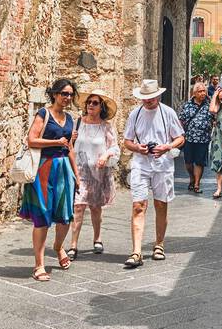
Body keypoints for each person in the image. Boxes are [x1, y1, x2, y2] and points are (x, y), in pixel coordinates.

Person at [20, 78, 80, 282]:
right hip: (44, 167)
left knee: (65, 215)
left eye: (70, 94)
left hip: (64, 168)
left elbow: (70, 148)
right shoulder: (44, 114)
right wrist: (56, 141)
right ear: (54, 94)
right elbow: (31, 139)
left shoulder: (70, 118)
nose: (67, 97)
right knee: (42, 216)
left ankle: (58, 246)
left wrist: (77, 175)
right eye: (64, 93)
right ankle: (39, 264)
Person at [123, 78, 185, 267]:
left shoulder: (168, 113)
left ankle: (159, 244)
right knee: (138, 206)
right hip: (141, 164)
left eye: (151, 97)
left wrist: (167, 146)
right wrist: (138, 148)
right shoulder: (135, 114)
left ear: (158, 96)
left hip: (163, 165)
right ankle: (136, 252)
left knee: (160, 204)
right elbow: (127, 141)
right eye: (144, 97)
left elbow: (180, 138)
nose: (148, 101)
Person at [67, 91, 120, 259]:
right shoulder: (77, 123)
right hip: (79, 172)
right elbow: (68, 146)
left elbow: (114, 147)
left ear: (101, 107)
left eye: (95, 103)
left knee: (95, 208)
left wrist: (105, 156)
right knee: (78, 207)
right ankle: (73, 245)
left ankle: (97, 238)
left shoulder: (106, 126)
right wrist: (71, 138)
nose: (90, 105)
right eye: (89, 102)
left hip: (98, 174)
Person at [179, 80, 213, 193]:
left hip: (203, 139)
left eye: (204, 91)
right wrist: (180, 134)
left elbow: (216, 117)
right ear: (194, 93)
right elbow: (181, 120)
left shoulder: (210, 106)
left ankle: (197, 184)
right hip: (189, 138)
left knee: (199, 162)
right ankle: (192, 178)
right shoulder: (187, 105)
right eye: (200, 91)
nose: (203, 93)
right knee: (188, 162)